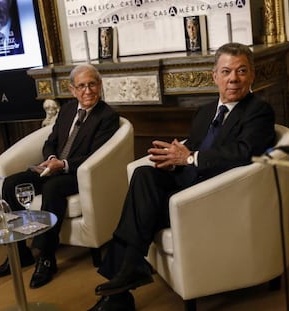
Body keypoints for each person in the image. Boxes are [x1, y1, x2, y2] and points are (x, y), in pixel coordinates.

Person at [88, 42, 276, 310]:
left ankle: (118, 290)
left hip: (216, 193)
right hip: (188, 186)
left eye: (241, 71)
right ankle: (126, 276)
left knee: (142, 210)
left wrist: (188, 158)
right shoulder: (204, 112)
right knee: (144, 175)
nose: (233, 78)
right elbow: (193, 148)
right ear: (214, 76)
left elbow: (243, 153)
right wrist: (174, 159)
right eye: (226, 71)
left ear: (252, 75)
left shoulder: (258, 110)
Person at [0, 64, 119, 289]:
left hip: (78, 174)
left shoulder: (107, 116)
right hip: (52, 167)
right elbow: (51, 140)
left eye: (92, 84)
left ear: (99, 85)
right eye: (81, 86)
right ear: (72, 89)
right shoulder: (68, 110)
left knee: (52, 189)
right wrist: (50, 158)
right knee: (11, 184)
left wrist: (64, 164)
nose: (87, 90)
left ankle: (46, 256)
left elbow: (97, 155)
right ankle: (21, 252)